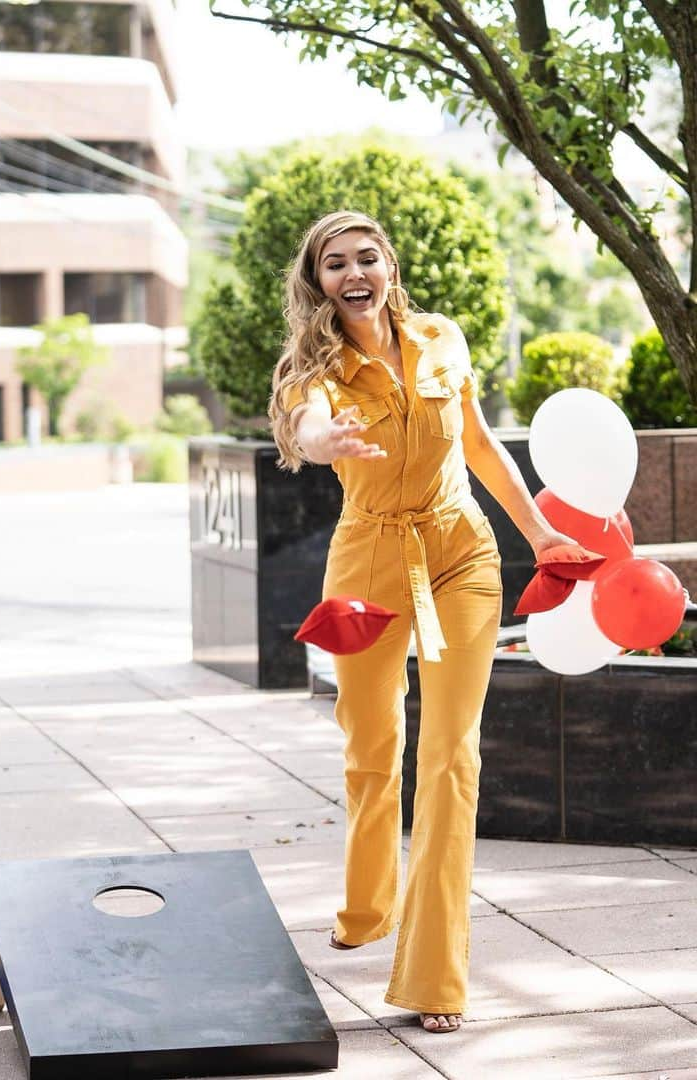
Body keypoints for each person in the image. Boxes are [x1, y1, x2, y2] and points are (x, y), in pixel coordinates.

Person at [269, 211, 572, 1034]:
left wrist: (540, 531)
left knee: (450, 757)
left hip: (460, 552)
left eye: (367, 256)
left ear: (389, 264)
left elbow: (476, 442)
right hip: (365, 562)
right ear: (320, 282)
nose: (355, 271)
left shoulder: (443, 338)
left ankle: (435, 974)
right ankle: (367, 906)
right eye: (337, 263)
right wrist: (323, 436)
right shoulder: (314, 366)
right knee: (371, 746)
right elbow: (306, 422)